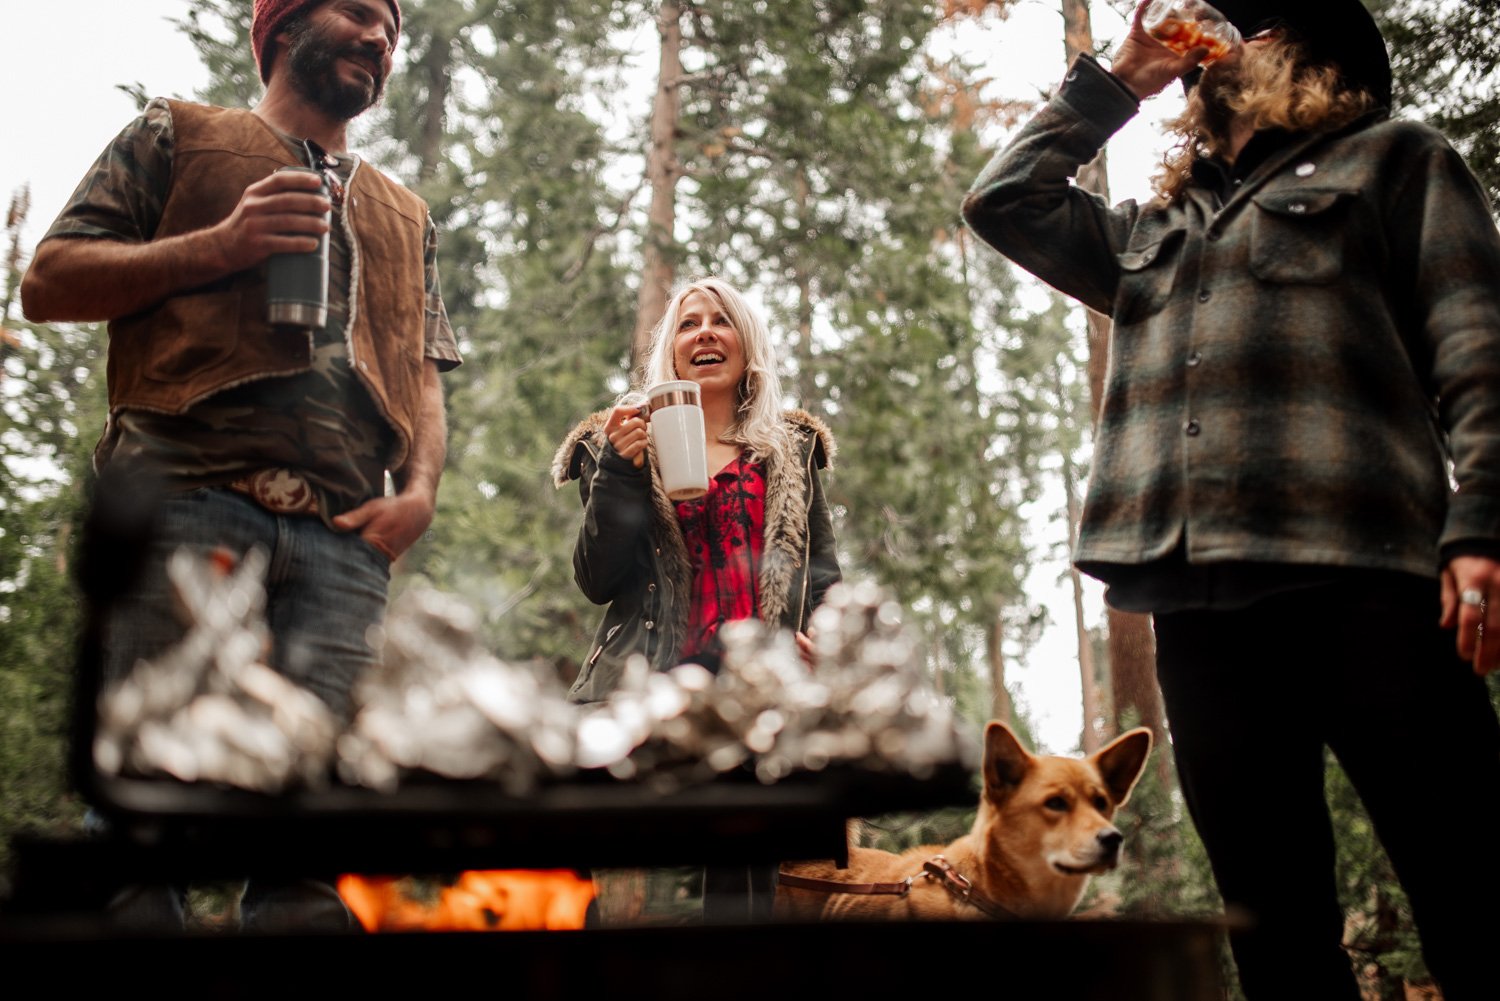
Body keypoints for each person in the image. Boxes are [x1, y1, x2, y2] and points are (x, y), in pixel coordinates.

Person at [961, 1, 1500, 997]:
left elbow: (1480, 349)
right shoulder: (1158, 222)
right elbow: (1003, 200)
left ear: (1316, 56)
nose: (1217, 36)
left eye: (1252, 21)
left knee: (1473, 885)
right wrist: (1119, 76)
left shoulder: (1398, 160)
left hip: (1372, 577)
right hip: (1197, 601)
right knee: (1273, 923)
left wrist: (1486, 522)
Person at [21, 0, 461, 931]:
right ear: (283, 29)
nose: (381, 37)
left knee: (312, 852)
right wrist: (221, 248)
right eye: (357, 13)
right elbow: (49, 281)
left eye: (392, 30)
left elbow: (422, 369)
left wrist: (418, 493)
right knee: (143, 823)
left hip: (346, 541)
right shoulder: (179, 135)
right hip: (185, 509)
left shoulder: (404, 212)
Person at [552, 276, 840, 923]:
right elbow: (596, 576)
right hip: (644, 682)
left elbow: (823, 575)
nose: (704, 332)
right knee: (587, 851)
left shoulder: (791, 451)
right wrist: (624, 472)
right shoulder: (616, 444)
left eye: (720, 320)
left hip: (754, 692)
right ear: (671, 353)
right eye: (687, 323)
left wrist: (827, 641)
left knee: (744, 875)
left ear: (747, 345)